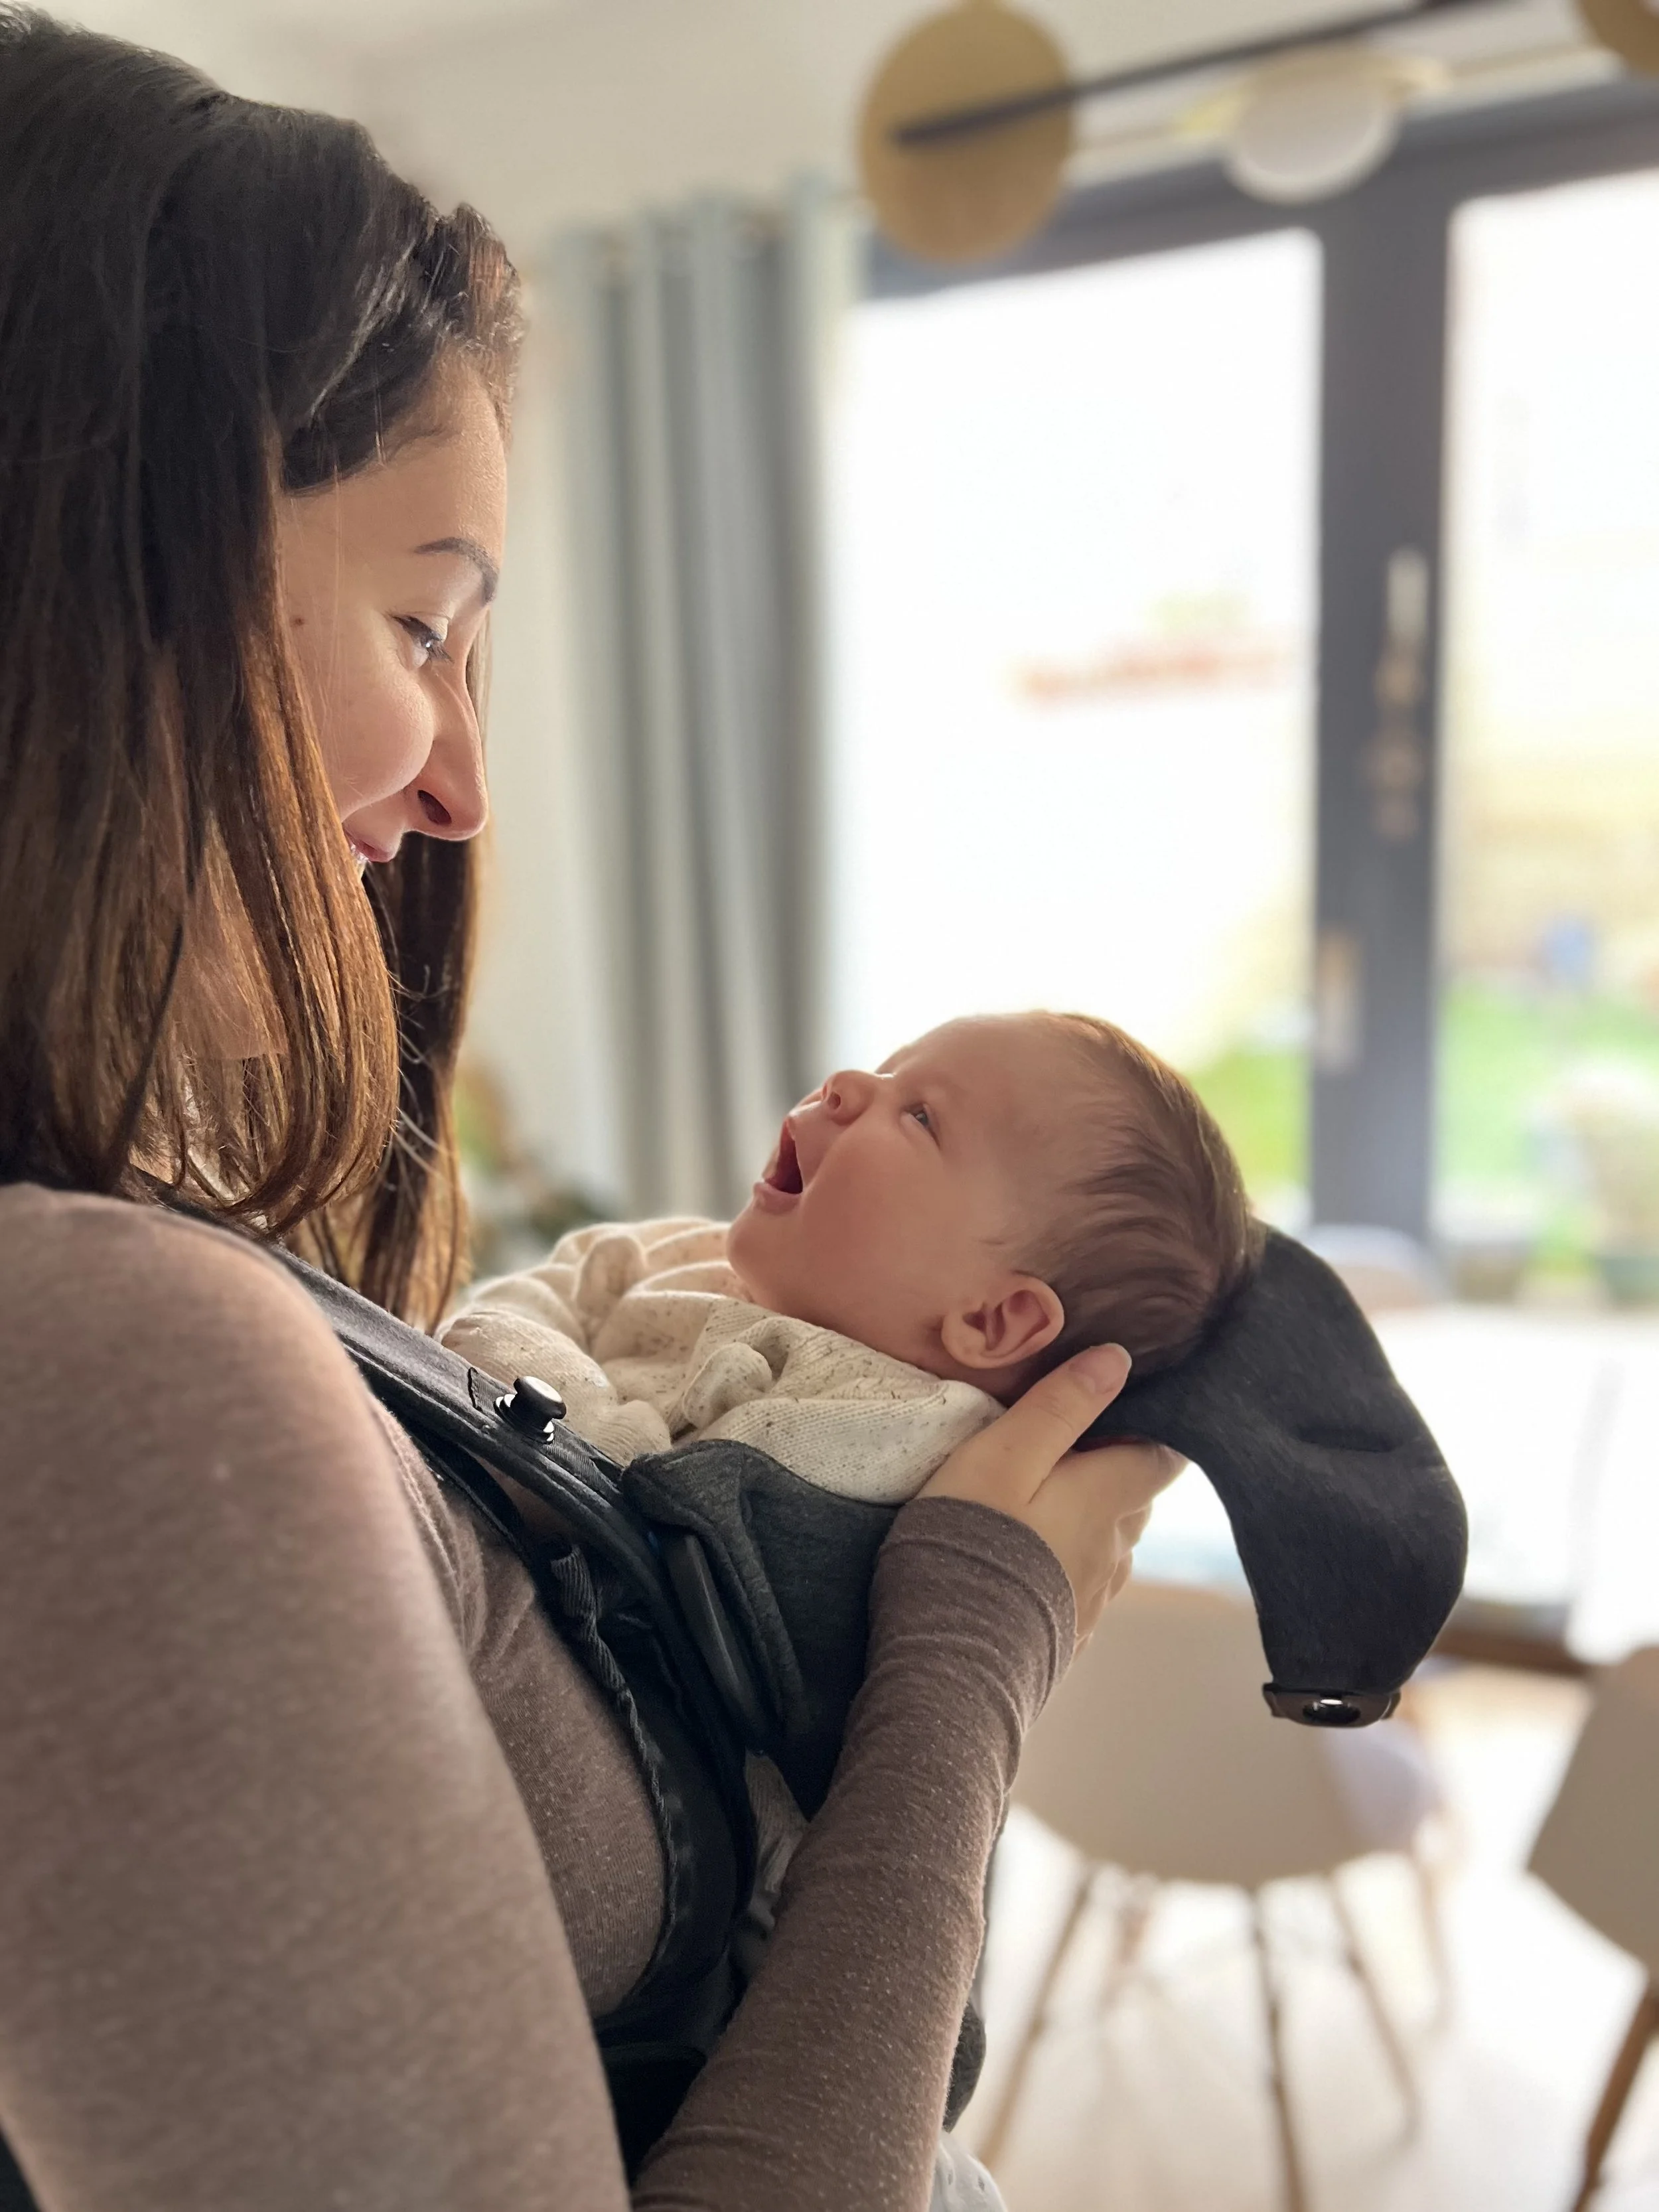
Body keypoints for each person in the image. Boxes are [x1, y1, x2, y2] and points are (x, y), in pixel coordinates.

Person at [0, 11, 1179, 2210]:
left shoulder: (144, 1272)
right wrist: (974, 1644)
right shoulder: (99, 1371)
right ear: (89, 568)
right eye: (425, 625)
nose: (460, 783)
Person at [443, 1009, 1256, 1498]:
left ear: (993, 1317)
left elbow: (609, 1490)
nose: (843, 1083)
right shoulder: (715, 1261)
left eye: (921, 1116)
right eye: (888, 1067)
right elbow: (582, 1272)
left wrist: (505, 1350)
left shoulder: (878, 1429)